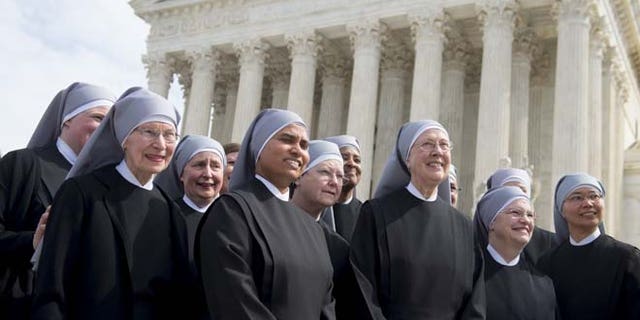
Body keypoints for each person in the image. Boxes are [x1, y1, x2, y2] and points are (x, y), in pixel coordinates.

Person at [31, 88, 195, 319]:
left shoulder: (170, 211)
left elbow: (177, 298)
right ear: (124, 137)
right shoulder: (81, 194)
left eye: (170, 135)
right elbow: (52, 288)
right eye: (149, 131)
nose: (160, 144)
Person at [196, 109, 335, 319]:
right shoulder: (232, 211)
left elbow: (325, 304)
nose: (298, 150)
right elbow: (234, 301)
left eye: (304, 145)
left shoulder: (314, 228)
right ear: (258, 148)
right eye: (287, 140)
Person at [0, 82, 115, 319]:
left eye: (110, 124)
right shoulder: (22, 164)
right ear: (67, 120)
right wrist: (31, 242)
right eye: (97, 118)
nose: (103, 128)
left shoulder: (102, 185)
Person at [350, 120, 485, 319]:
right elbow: (362, 289)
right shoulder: (376, 214)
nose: (438, 151)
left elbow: (475, 302)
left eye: (444, 145)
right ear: (407, 158)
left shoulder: (464, 227)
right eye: (427, 144)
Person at [537, 173, 640, 319]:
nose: (588, 203)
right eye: (577, 197)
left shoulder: (627, 258)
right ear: (561, 210)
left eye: (594, 196)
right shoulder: (547, 263)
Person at [291, 140, 370, 319]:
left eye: (340, 177)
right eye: (325, 172)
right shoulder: (267, 223)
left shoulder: (337, 248)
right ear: (298, 176)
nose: (335, 183)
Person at [474, 186, 557, 319]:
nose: (525, 220)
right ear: (491, 222)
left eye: (530, 215)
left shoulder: (544, 285)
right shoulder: (470, 275)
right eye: (515, 213)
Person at [156, 135, 226, 267]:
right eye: (199, 165)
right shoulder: (165, 216)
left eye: (215, 166)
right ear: (181, 173)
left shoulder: (234, 217)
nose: (208, 174)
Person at [486, 168, 558, 263]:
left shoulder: (550, 244)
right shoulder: (473, 241)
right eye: (507, 190)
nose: (516, 195)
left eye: (522, 190)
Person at [322, 135, 362, 243]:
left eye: (357, 160)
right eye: (344, 158)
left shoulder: (366, 213)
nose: (352, 163)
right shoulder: (315, 207)